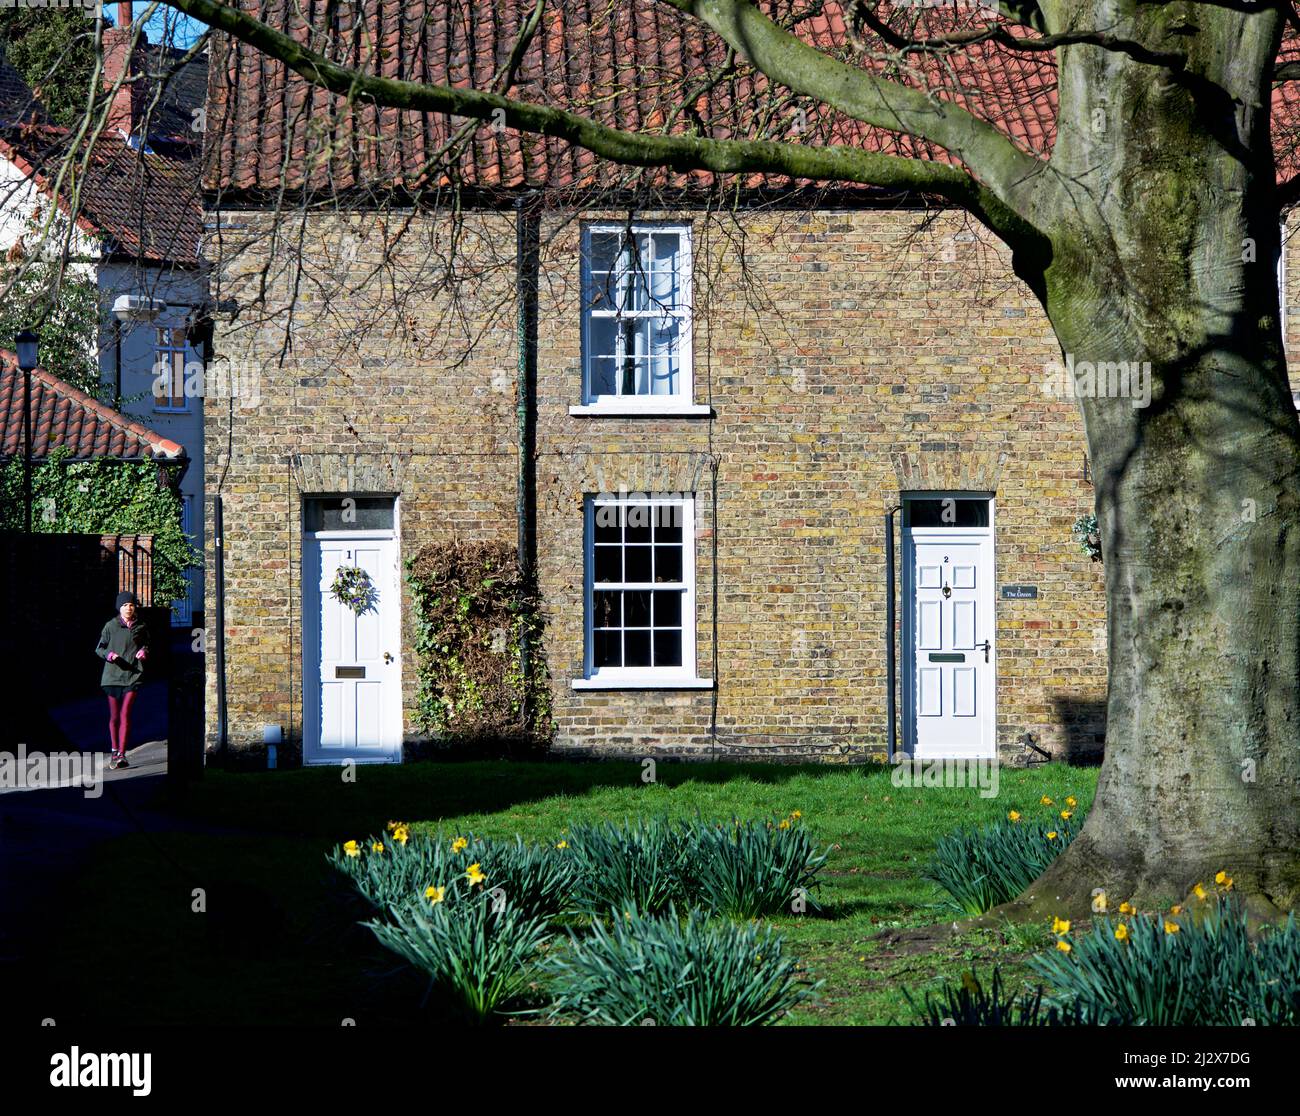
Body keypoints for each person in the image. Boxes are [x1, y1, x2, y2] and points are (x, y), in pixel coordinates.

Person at [96, 591, 150, 770]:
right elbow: (99, 648)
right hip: (112, 677)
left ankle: (121, 754)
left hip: (133, 675)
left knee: (125, 714)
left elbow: (146, 644)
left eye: (131, 605)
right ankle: (114, 750)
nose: (129, 608)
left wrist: (144, 652)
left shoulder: (140, 626)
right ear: (119, 607)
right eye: (125, 605)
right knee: (114, 716)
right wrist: (109, 655)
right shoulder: (110, 626)